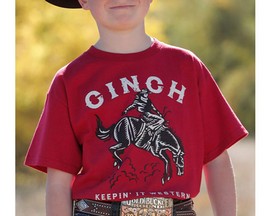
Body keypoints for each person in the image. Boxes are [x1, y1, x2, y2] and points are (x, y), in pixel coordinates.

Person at [25, 0, 249, 216]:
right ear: (84, 0)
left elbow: (217, 161)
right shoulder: (69, 80)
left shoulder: (187, 67)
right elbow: (58, 183)